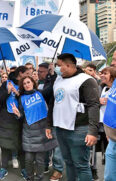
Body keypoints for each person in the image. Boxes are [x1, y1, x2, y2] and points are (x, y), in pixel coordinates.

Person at [49, 53, 100, 181]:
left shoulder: (86, 80)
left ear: (68, 65)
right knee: (68, 163)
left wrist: (93, 131)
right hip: (60, 128)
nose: (57, 68)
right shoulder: (58, 79)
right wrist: (48, 124)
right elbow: (52, 102)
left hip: (78, 129)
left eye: (59, 65)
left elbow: (94, 105)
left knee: (81, 165)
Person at [12, 76, 57, 181]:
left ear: (33, 82)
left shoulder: (41, 93)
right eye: (24, 83)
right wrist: (18, 114)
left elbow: (53, 86)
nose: (27, 85)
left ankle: (39, 178)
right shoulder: (21, 98)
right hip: (28, 131)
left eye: (28, 82)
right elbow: (22, 115)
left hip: (42, 130)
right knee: (28, 159)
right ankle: (30, 178)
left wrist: (51, 73)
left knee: (40, 160)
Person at [0, 66, 26, 180]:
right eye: (27, 73)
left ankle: (24, 169)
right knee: (5, 145)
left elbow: (27, 100)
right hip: (5, 119)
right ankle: (4, 168)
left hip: (20, 119)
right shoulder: (6, 84)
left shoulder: (26, 84)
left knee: (20, 145)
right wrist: (8, 92)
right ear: (20, 73)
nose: (28, 74)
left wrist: (18, 94)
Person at [102, 77, 116, 180]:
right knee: (109, 177)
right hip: (112, 139)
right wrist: (108, 132)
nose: (113, 63)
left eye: (115, 60)